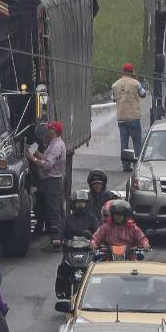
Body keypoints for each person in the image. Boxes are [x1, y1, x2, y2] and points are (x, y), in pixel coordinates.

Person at [28, 121, 67, 249]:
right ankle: (59, 238)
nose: (47, 130)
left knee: (53, 210)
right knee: (56, 209)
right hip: (54, 181)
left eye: (49, 128)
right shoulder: (54, 144)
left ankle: (56, 240)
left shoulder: (56, 146)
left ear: (54, 131)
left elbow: (48, 165)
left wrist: (32, 158)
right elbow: (46, 158)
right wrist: (34, 152)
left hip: (53, 182)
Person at [55, 190, 95, 298]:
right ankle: (60, 290)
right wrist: (58, 239)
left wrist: (95, 239)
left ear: (87, 203)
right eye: (78, 202)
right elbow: (61, 231)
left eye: (83, 202)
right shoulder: (68, 218)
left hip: (87, 252)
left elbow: (99, 232)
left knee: (96, 271)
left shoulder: (92, 218)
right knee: (63, 268)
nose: (80, 205)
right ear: (73, 203)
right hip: (70, 251)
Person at [112, 63, 147, 171]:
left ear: (122, 71)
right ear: (132, 72)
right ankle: (136, 164)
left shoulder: (115, 85)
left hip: (121, 118)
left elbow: (113, 98)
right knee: (137, 142)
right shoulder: (136, 83)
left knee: (124, 143)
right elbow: (143, 94)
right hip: (134, 118)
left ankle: (125, 166)